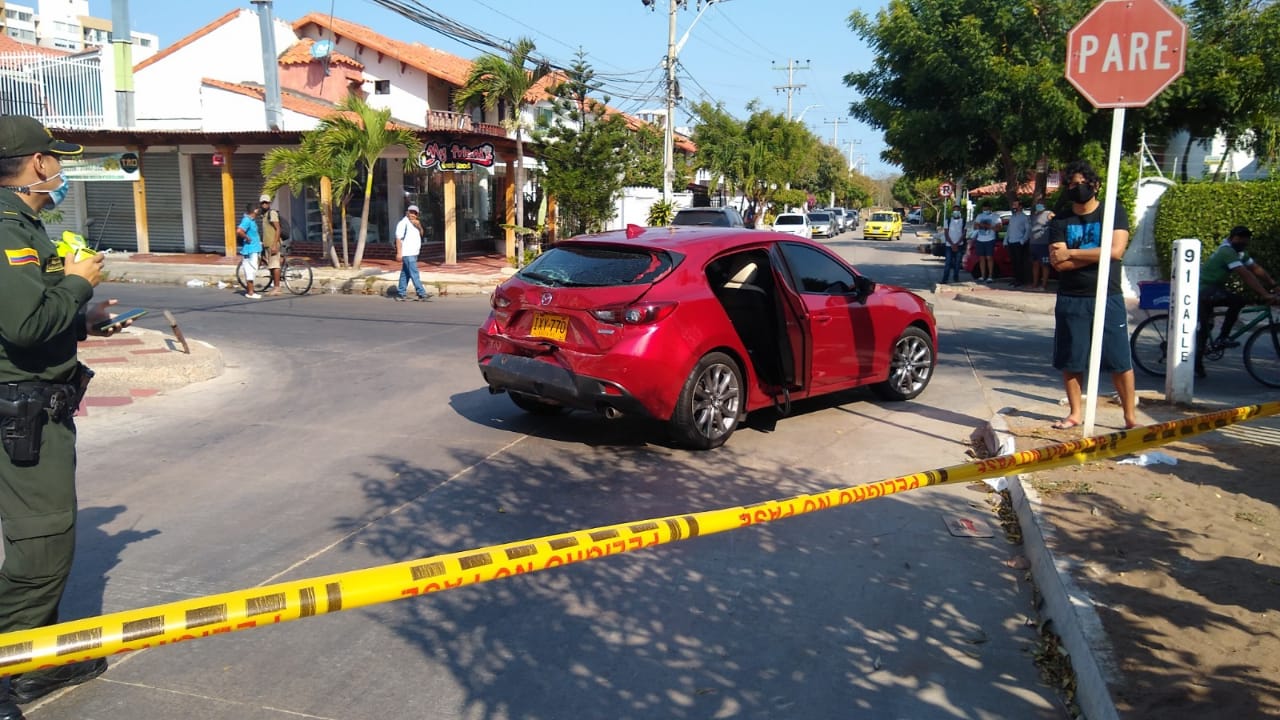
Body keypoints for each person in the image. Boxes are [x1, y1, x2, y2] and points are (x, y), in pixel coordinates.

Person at [0, 115, 131, 720]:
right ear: (34, 165)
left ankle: (36, 664)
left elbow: (30, 317)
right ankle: (9, 673)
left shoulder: (25, 226)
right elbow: (23, 327)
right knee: (41, 553)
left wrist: (84, 316)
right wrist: (77, 285)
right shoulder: (6, 230)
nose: (59, 167)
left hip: (38, 410)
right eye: (54, 158)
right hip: (22, 414)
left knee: (45, 545)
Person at [1047, 160, 1137, 430]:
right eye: (1070, 184)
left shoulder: (1112, 212)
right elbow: (1057, 263)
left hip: (1107, 296)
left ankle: (1130, 417)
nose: (1074, 189)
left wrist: (1073, 253)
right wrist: (1098, 254)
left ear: (1094, 185)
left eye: (1079, 184)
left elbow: (1116, 251)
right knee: (1072, 359)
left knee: (1119, 359)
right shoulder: (1061, 219)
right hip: (1071, 297)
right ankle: (1075, 414)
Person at [1194, 226, 1279, 378]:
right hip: (1204, 289)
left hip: (1214, 289)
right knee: (1237, 301)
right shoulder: (1227, 251)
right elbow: (1245, 274)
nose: (1242, 242)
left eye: (1245, 240)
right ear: (1232, 237)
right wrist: (1265, 294)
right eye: (1239, 239)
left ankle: (1197, 364)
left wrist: (1273, 284)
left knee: (1207, 326)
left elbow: (1255, 269)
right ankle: (1223, 337)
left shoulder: (1238, 252)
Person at [394, 204, 429, 302]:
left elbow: (422, 234)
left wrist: (419, 226)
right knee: (414, 273)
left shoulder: (416, 223)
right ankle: (421, 292)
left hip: (414, 252)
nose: (412, 215)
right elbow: (398, 238)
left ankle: (401, 293)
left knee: (406, 273)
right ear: (407, 212)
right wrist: (399, 253)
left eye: (415, 213)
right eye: (411, 212)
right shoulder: (403, 223)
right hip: (407, 253)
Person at [237, 203, 263, 299]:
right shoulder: (247, 220)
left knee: (253, 270)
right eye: (257, 209)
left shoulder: (252, 220)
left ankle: (250, 291)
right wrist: (247, 238)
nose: (258, 210)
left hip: (255, 248)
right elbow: (239, 231)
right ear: (255, 210)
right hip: (250, 249)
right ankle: (250, 292)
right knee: (250, 270)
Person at [258, 193, 282, 296]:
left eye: (266, 202)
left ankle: (277, 288)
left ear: (269, 203)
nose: (264, 204)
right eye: (262, 202)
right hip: (267, 244)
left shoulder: (272, 214)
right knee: (271, 266)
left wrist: (275, 244)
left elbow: (278, 229)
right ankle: (274, 285)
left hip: (273, 244)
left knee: (275, 265)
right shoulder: (263, 215)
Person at [971, 202, 1001, 282]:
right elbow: (975, 226)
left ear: (990, 209)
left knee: (989, 257)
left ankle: (990, 276)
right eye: (984, 209)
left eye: (987, 209)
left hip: (990, 239)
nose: (985, 211)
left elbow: (998, 228)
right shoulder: (979, 216)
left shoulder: (995, 217)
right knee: (981, 258)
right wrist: (980, 226)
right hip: (980, 239)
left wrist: (989, 227)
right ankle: (982, 275)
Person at [1004, 198, 1030, 287]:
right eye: (1013, 205)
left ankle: (1020, 280)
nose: (1014, 206)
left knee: (1019, 262)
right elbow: (1009, 230)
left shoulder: (1024, 217)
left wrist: (1022, 241)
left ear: (1020, 206)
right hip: (1011, 241)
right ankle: (1015, 279)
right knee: (1013, 262)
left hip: (1018, 242)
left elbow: (1028, 230)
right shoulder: (1013, 217)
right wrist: (1005, 240)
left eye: (1016, 205)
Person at [1028, 202, 1054, 291]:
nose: (1038, 206)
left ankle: (1044, 285)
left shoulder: (1049, 214)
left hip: (1043, 243)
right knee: (1035, 264)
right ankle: (1035, 283)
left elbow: (1055, 224)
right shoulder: (1034, 216)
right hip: (1033, 243)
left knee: (1044, 265)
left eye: (1040, 204)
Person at [941, 207, 965, 284]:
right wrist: (952, 244)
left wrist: (957, 244)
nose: (956, 212)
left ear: (960, 212)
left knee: (957, 263)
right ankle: (945, 279)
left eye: (958, 210)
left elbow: (964, 233)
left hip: (959, 245)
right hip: (949, 245)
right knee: (948, 262)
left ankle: (956, 278)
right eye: (954, 210)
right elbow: (946, 233)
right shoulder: (947, 221)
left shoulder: (963, 221)